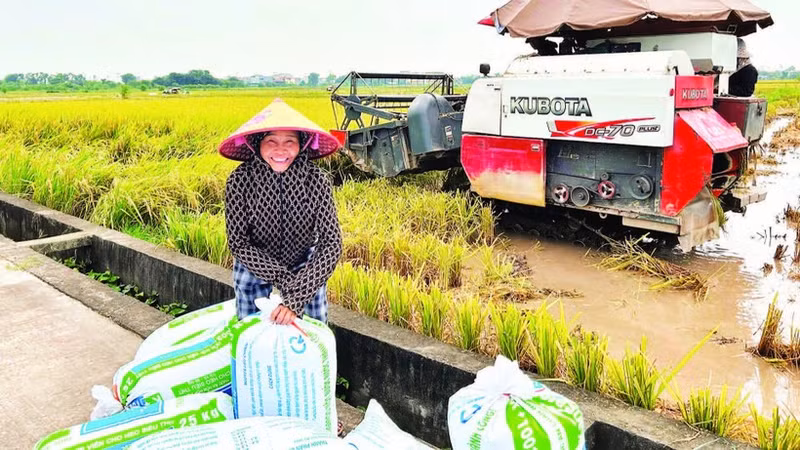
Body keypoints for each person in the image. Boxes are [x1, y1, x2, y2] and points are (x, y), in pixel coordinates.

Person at [218, 98, 342, 325]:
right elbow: (238, 242)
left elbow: (331, 243)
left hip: (304, 256)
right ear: (256, 143)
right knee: (250, 326)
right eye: (271, 141)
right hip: (255, 256)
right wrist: (285, 280)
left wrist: (296, 296)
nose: (280, 149)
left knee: (314, 324)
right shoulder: (240, 180)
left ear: (302, 144)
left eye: (290, 141)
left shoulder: (316, 180)